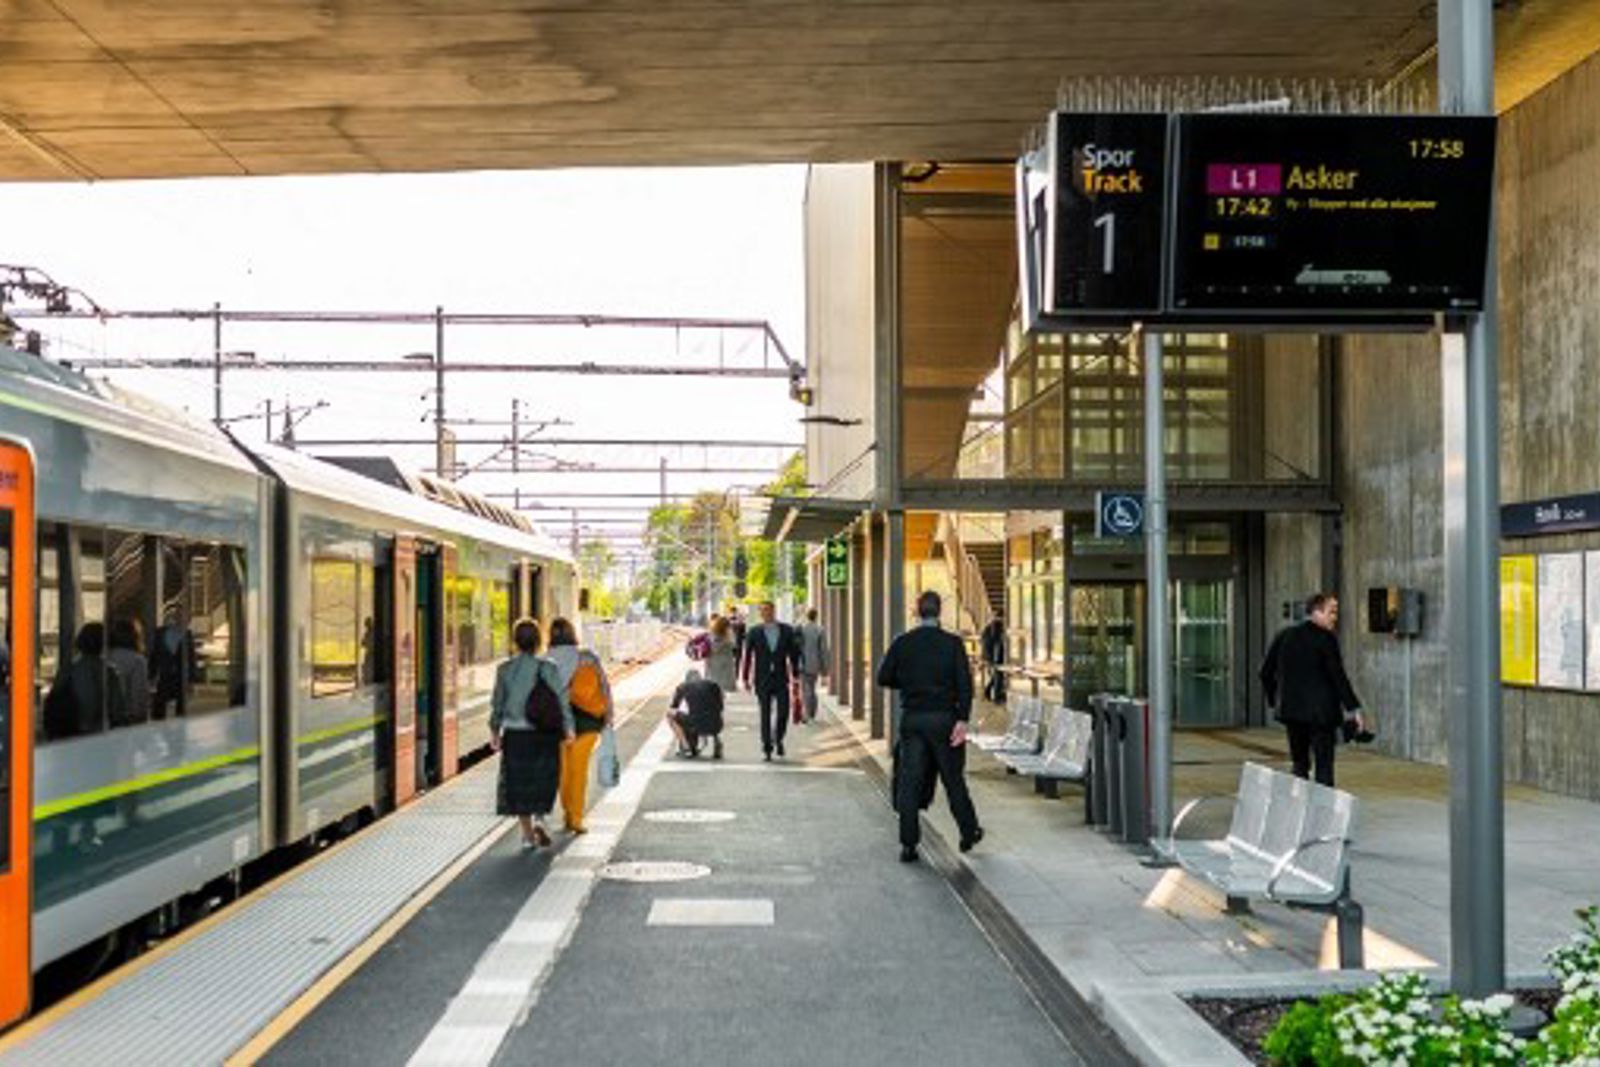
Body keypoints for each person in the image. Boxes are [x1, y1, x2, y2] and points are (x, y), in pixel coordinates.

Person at [877, 590, 983, 863]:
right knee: (953, 780)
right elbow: (965, 685)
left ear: (916, 611)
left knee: (910, 783)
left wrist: (910, 684)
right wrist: (962, 719)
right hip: (945, 720)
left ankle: (909, 845)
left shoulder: (903, 642)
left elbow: (883, 676)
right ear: (939, 612)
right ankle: (968, 833)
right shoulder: (952, 644)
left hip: (913, 719)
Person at [1259, 592, 1367, 788]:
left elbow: (1265, 673)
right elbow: (1338, 677)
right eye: (1331, 612)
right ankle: (1322, 815)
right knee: (1324, 768)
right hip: (1322, 715)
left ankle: (1299, 812)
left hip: (1292, 713)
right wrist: (1354, 709)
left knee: (1299, 765)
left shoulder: (1284, 635)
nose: (1335, 617)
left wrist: (1276, 700)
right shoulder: (1326, 639)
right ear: (1316, 612)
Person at [491, 618, 573, 849]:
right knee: (545, 778)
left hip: (516, 736)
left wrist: (495, 730)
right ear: (538, 641)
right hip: (545, 734)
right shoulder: (549, 667)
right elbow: (562, 701)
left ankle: (527, 835)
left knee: (518, 784)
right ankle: (541, 818)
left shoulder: (504, 670)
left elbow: (497, 704)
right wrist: (569, 729)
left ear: (515, 642)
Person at [545, 616, 612, 836]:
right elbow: (604, 686)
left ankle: (567, 812)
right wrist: (609, 715)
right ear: (573, 634)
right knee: (580, 771)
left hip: (558, 726)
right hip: (589, 722)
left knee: (563, 772)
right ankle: (576, 818)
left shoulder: (545, 661)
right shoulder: (588, 658)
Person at [740, 600, 801, 761]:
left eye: (768, 610)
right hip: (762, 679)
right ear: (760, 613)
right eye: (763, 610)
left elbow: (793, 655)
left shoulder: (787, 630)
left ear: (774, 611)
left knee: (783, 713)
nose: (765, 613)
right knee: (765, 714)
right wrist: (745, 677)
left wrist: (796, 676)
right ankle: (767, 747)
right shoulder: (754, 632)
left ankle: (778, 738)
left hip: (781, 678)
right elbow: (747, 657)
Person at [44, 622, 127, 740]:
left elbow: (54, 700)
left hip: (70, 733)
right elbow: (117, 711)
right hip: (99, 736)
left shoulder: (68, 670)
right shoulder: (109, 673)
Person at [667, 668, 725, 759]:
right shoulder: (713, 685)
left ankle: (686, 747)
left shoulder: (683, 687)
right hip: (717, 725)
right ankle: (716, 739)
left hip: (694, 724)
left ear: (686, 679)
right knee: (712, 715)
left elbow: (674, 707)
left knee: (670, 715)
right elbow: (721, 707)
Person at [107, 618, 152, 727]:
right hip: (127, 719)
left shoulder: (105, 656)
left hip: (106, 717)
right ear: (135, 636)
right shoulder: (137, 660)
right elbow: (138, 693)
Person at [796, 606, 830, 724]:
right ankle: (812, 712)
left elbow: (797, 647)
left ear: (807, 616)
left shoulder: (801, 628)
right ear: (816, 616)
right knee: (812, 688)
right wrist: (825, 669)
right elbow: (824, 650)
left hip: (802, 663)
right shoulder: (820, 630)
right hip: (815, 664)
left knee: (805, 689)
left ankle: (806, 714)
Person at [704, 614, 739, 693]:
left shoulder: (711, 633)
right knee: (722, 685)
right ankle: (719, 700)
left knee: (713, 683)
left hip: (712, 662)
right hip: (724, 664)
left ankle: (716, 699)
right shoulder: (727, 635)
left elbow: (712, 648)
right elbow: (734, 645)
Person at [980, 610, 1007, 703]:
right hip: (995, 655)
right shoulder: (997, 626)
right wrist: (995, 659)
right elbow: (997, 643)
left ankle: (989, 692)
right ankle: (997, 696)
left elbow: (984, 642)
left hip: (988, 654)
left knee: (996, 675)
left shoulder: (988, 627)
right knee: (998, 675)